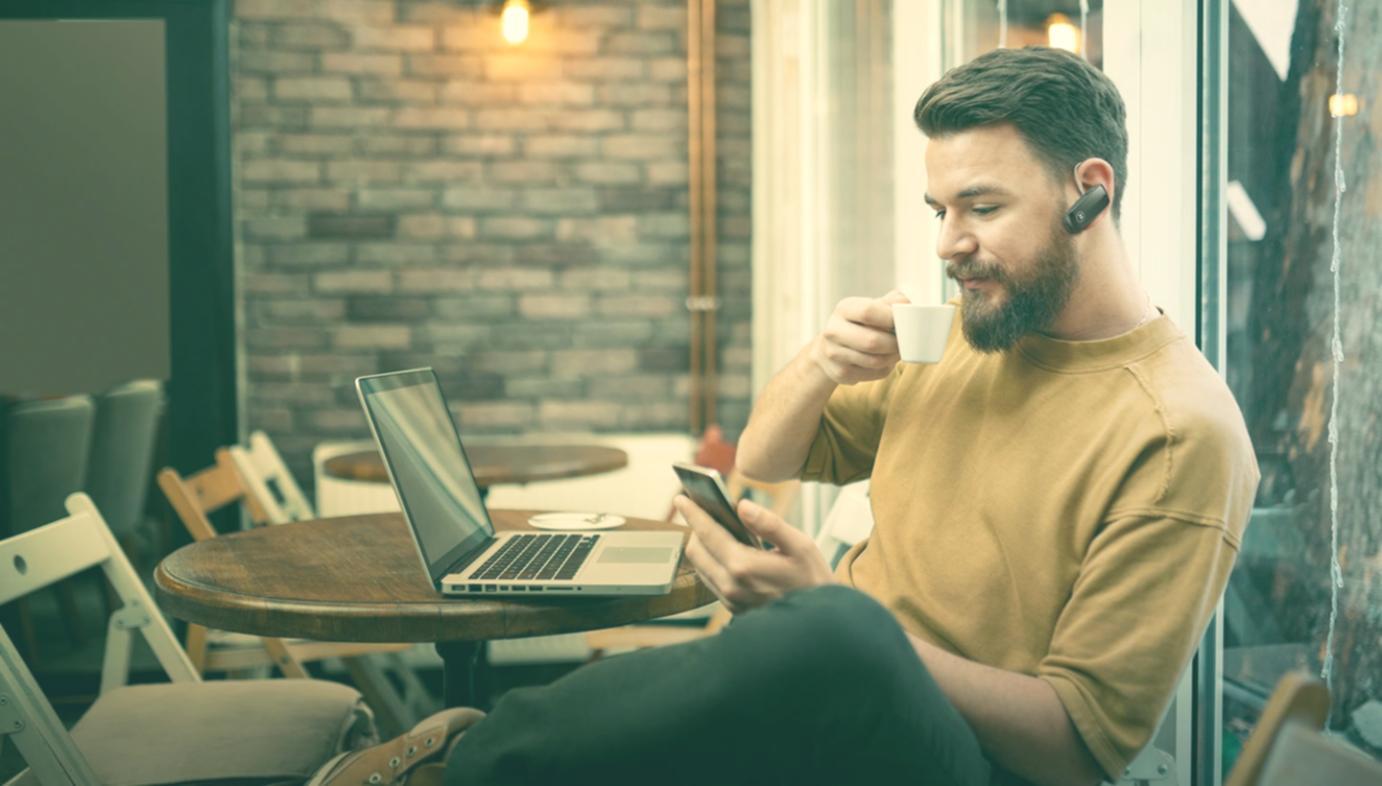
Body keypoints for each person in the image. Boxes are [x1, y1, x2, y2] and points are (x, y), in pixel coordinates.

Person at [312, 46, 1259, 786]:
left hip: (971, 764)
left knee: (838, 638)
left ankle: (454, 762)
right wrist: (820, 360)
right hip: (818, 689)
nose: (947, 245)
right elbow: (767, 457)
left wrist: (841, 612)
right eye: (936, 208)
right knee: (814, 640)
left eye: (979, 207)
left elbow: (1073, 746)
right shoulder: (970, 333)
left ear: (1089, 191)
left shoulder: (1180, 432)